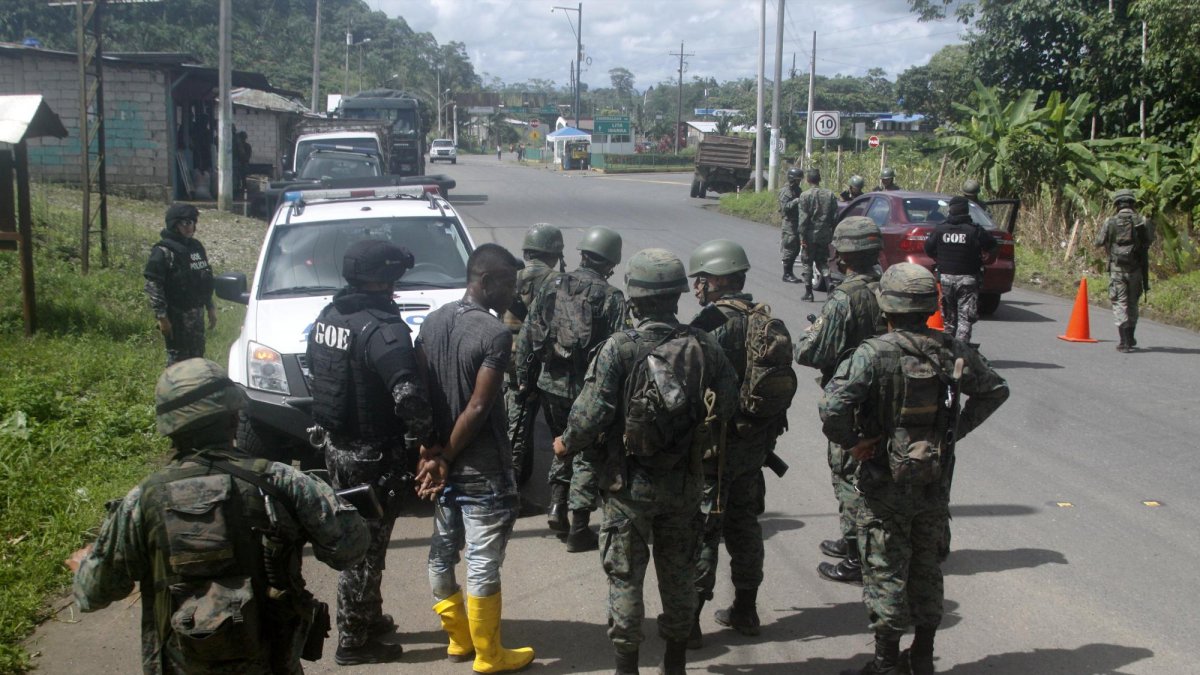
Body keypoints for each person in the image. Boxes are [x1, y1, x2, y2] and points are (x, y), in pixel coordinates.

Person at [70, 358, 370, 675]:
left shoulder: (141, 501)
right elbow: (352, 548)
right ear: (233, 417)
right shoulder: (281, 483)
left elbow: (93, 594)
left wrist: (85, 563)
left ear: (170, 427)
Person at [555, 248, 738, 675]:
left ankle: (627, 666)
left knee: (625, 578)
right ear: (677, 297)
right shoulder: (704, 345)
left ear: (633, 299)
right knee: (678, 575)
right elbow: (727, 404)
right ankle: (674, 663)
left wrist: (565, 444)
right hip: (684, 485)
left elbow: (590, 414)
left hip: (627, 487)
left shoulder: (619, 349)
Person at [820, 263, 1009, 675]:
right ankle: (922, 656)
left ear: (886, 307)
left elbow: (832, 408)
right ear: (929, 307)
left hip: (882, 485)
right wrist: (952, 432)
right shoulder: (950, 350)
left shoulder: (872, 354)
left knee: (885, 570)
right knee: (926, 567)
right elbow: (994, 390)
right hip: (932, 483)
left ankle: (887, 664)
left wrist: (855, 443)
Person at [306, 239, 435, 665]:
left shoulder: (331, 315)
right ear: (387, 278)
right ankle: (354, 641)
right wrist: (427, 442)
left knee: (368, 542)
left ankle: (369, 616)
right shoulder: (383, 328)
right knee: (364, 548)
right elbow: (408, 398)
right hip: (372, 455)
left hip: (337, 446)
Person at [415, 243, 535, 673]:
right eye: (508, 283)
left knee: (441, 554)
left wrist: (430, 454)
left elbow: (422, 398)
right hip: (482, 469)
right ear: (484, 281)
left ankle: (459, 641)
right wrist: (445, 455)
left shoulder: (431, 322)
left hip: (443, 464)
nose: (514, 293)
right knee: (483, 561)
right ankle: (488, 654)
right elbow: (479, 408)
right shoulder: (494, 334)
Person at [685, 240, 793, 646]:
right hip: (753, 447)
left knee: (704, 530)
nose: (697, 286)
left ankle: (690, 622)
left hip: (714, 448)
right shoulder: (765, 320)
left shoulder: (710, 324)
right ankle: (746, 610)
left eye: (702, 279)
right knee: (746, 527)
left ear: (719, 279)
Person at [515, 226, 626, 551]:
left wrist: (524, 377)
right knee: (588, 453)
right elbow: (619, 349)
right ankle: (579, 526)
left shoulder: (552, 283)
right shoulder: (611, 297)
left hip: (550, 385)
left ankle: (556, 505)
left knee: (560, 443)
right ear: (611, 262)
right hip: (588, 391)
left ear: (582, 254)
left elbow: (527, 334)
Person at [794, 216, 887, 586]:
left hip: (851, 399)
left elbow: (811, 352)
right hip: (883, 392)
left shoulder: (845, 298)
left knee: (850, 476)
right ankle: (852, 538)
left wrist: (808, 336)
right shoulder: (888, 288)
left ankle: (856, 556)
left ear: (842, 255)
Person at [503, 224, 566, 487]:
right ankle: (562, 495)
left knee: (517, 431)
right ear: (555, 253)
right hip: (552, 367)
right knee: (562, 434)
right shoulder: (562, 282)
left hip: (514, 363)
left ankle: (514, 485)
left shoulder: (511, 278)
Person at [144, 203, 217, 366]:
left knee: (198, 357)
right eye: (185, 223)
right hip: (177, 315)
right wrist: (162, 317)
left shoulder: (196, 247)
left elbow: (204, 279)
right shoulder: (163, 251)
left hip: (197, 314)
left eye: (192, 222)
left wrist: (210, 307)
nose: (190, 227)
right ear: (174, 224)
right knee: (178, 361)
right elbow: (154, 285)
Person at [923, 196, 997, 343]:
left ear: (950, 210)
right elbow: (992, 246)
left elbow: (928, 249)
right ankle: (961, 353)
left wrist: (940, 259)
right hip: (967, 280)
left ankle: (949, 350)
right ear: (966, 210)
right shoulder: (974, 231)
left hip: (945, 279)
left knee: (949, 319)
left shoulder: (940, 229)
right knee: (965, 320)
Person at [1094, 189, 1154, 352]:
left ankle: (1123, 341)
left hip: (1117, 269)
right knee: (1133, 303)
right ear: (1133, 204)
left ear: (1117, 204)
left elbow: (1098, 242)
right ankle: (1130, 337)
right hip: (1136, 269)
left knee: (1120, 302)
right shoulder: (1142, 221)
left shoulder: (1110, 221)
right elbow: (1149, 241)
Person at [797, 168, 839, 302]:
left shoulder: (805, 195)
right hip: (825, 234)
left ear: (808, 180)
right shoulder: (830, 194)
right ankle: (829, 283)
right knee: (822, 262)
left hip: (810, 235)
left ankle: (809, 292)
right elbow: (835, 216)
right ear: (819, 179)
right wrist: (830, 231)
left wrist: (802, 237)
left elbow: (803, 219)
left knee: (807, 262)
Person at [779, 166, 805, 284]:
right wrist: (795, 201)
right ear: (792, 179)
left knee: (796, 248)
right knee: (789, 248)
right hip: (789, 223)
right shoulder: (786, 192)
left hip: (796, 222)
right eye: (797, 180)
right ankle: (787, 273)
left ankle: (790, 272)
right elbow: (784, 209)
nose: (799, 182)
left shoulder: (797, 190)